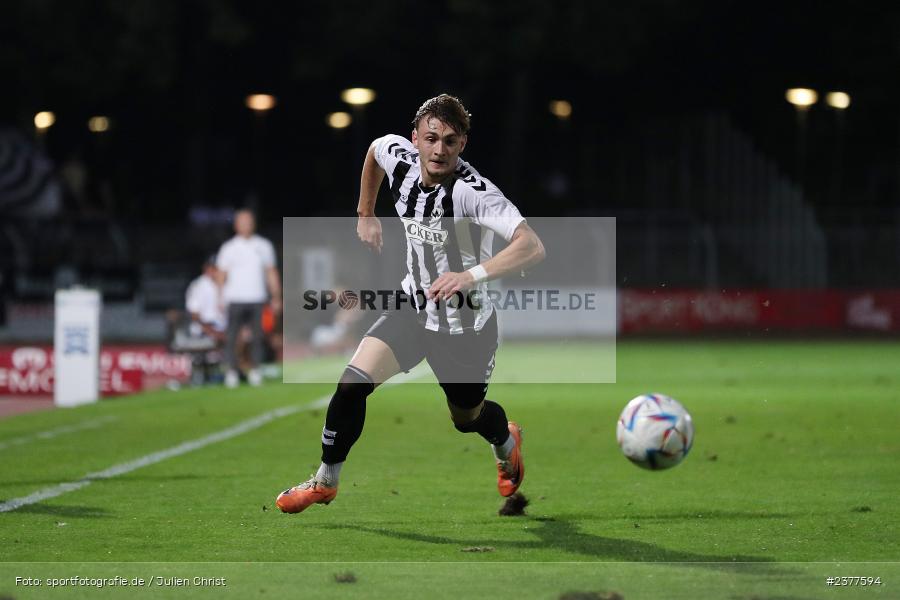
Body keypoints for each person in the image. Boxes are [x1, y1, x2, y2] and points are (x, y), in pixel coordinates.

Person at [276, 94, 546, 513]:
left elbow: (532, 246)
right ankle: (325, 481)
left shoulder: (475, 194)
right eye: (432, 138)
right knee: (351, 386)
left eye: (451, 141)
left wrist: (469, 275)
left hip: (465, 328)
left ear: (463, 145)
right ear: (414, 138)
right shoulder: (396, 154)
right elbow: (372, 153)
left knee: (467, 420)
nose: (440, 149)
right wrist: (365, 212)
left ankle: (506, 440)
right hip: (412, 306)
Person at [216, 209, 282, 388]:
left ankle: (255, 370)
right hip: (234, 298)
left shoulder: (264, 246)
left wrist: (276, 296)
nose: (246, 225)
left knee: (258, 337)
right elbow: (221, 275)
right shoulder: (228, 248)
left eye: (248, 221)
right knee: (232, 337)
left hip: (257, 297)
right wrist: (219, 298)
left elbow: (271, 272)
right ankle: (231, 371)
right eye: (242, 221)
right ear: (236, 225)